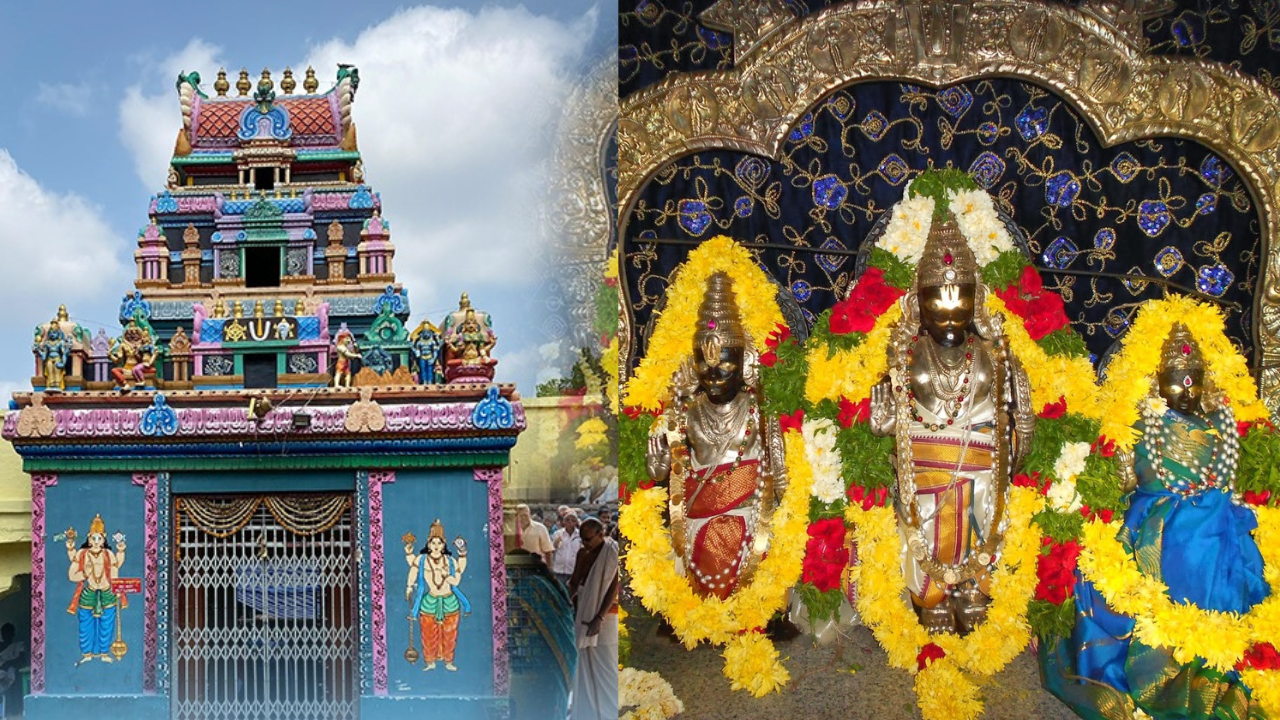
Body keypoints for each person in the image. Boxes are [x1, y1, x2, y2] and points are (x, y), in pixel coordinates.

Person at [1042, 324, 1268, 718]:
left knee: (1215, 537)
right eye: (1175, 381)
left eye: (1192, 381)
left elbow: (1229, 477)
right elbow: (1123, 479)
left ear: (1205, 382)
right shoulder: (1139, 423)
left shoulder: (1221, 426)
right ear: (1156, 383)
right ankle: (1158, 661)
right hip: (1150, 520)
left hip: (1213, 514)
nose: (1185, 389)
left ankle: (1211, 653)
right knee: (1172, 543)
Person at [869, 214, 1034, 635]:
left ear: (975, 302)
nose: (947, 314)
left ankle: (972, 590)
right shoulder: (906, 359)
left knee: (986, 508)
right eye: (935, 304)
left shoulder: (991, 357)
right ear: (917, 305)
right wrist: (885, 423)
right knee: (922, 517)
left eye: (959, 301)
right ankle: (931, 596)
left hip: (978, 465)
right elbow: (898, 422)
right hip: (926, 467)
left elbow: (1009, 422)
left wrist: (1017, 430)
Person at [568, 518, 618, 720]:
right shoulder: (583, 553)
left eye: (588, 539)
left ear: (601, 534)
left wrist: (599, 617)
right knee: (584, 667)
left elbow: (614, 587)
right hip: (582, 614)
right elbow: (574, 581)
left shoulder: (611, 553)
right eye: (583, 540)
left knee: (606, 669)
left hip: (606, 618)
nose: (586, 544)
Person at [405, 520, 469, 672]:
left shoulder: (450, 561)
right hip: (429, 601)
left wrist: (462, 553)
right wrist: (409, 586)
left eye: (439, 543)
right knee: (428, 634)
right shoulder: (422, 560)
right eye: (432, 543)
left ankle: (448, 661)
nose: (435, 546)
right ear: (428, 544)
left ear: (443, 545)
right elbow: (412, 567)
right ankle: (430, 661)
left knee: (449, 634)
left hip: (450, 602)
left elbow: (459, 572)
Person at [66, 514, 126, 665]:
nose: (96, 542)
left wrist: (121, 552)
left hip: (107, 592)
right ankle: (87, 653)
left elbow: (115, 569)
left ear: (104, 538)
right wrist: (85, 572)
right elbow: (72, 574)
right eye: (94, 538)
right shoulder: (82, 554)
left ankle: (104, 652)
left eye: (100, 538)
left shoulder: (108, 554)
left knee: (106, 624)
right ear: (89, 537)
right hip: (89, 592)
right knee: (86, 624)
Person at [551, 512, 582, 586]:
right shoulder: (557, 534)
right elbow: (551, 550)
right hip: (559, 570)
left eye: (573, 520)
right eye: (567, 520)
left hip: (573, 570)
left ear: (576, 522)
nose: (570, 522)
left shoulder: (580, 535)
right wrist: (555, 544)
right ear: (563, 521)